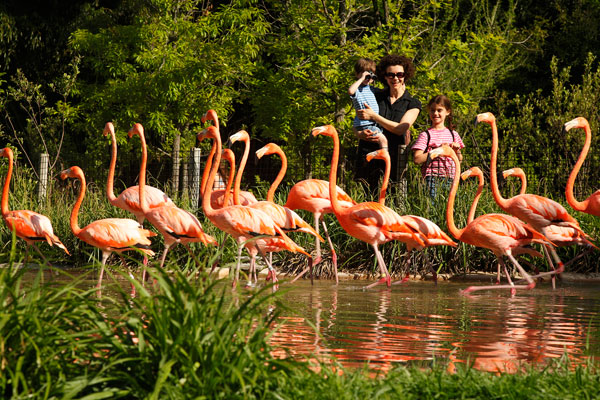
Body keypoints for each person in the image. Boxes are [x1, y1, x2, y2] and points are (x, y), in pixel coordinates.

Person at [354, 54, 421, 193]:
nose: (395, 78)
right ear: (384, 77)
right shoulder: (375, 95)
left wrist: (375, 116)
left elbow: (401, 128)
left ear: (405, 75)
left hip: (395, 159)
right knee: (367, 200)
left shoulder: (413, 103)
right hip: (369, 156)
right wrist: (360, 134)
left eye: (399, 74)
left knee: (394, 200)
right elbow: (357, 125)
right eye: (390, 75)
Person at [411, 95, 465, 199]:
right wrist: (438, 150)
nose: (435, 113)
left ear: (447, 112)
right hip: (432, 178)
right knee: (433, 209)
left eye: (439, 110)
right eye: (432, 110)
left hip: (451, 178)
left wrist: (455, 151)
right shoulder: (425, 135)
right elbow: (417, 159)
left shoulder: (454, 134)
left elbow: (460, 160)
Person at [348, 58, 382, 136]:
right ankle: (384, 148)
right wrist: (362, 78)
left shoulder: (371, 89)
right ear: (357, 74)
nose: (368, 77)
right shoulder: (357, 90)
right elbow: (350, 91)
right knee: (383, 140)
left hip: (372, 123)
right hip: (364, 124)